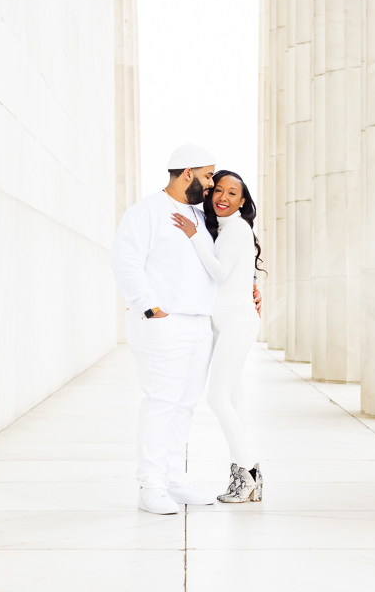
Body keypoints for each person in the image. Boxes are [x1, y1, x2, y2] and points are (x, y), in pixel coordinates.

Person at [109, 145, 261, 515]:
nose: (212, 186)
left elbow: (226, 259)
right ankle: (151, 485)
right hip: (162, 322)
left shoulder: (200, 215)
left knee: (185, 405)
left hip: (200, 325)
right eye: (209, 176)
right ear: (188, 173)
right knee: (161, 402)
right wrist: (149, 305)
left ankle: (175, 479)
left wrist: (251, 286)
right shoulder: (146, 211)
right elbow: (125, 259)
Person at [171, 170, 264, 503]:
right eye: (218, 190)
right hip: (224, 321)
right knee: (234, 401)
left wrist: (194, 235)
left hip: (237, 321)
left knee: (217, 398)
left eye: (232, 193)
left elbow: (221, 271)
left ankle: (247, 476)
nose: (223, 197)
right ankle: (253, 477)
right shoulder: (224, 228)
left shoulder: (237, 227)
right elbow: (238, 275)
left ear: (243, 201)